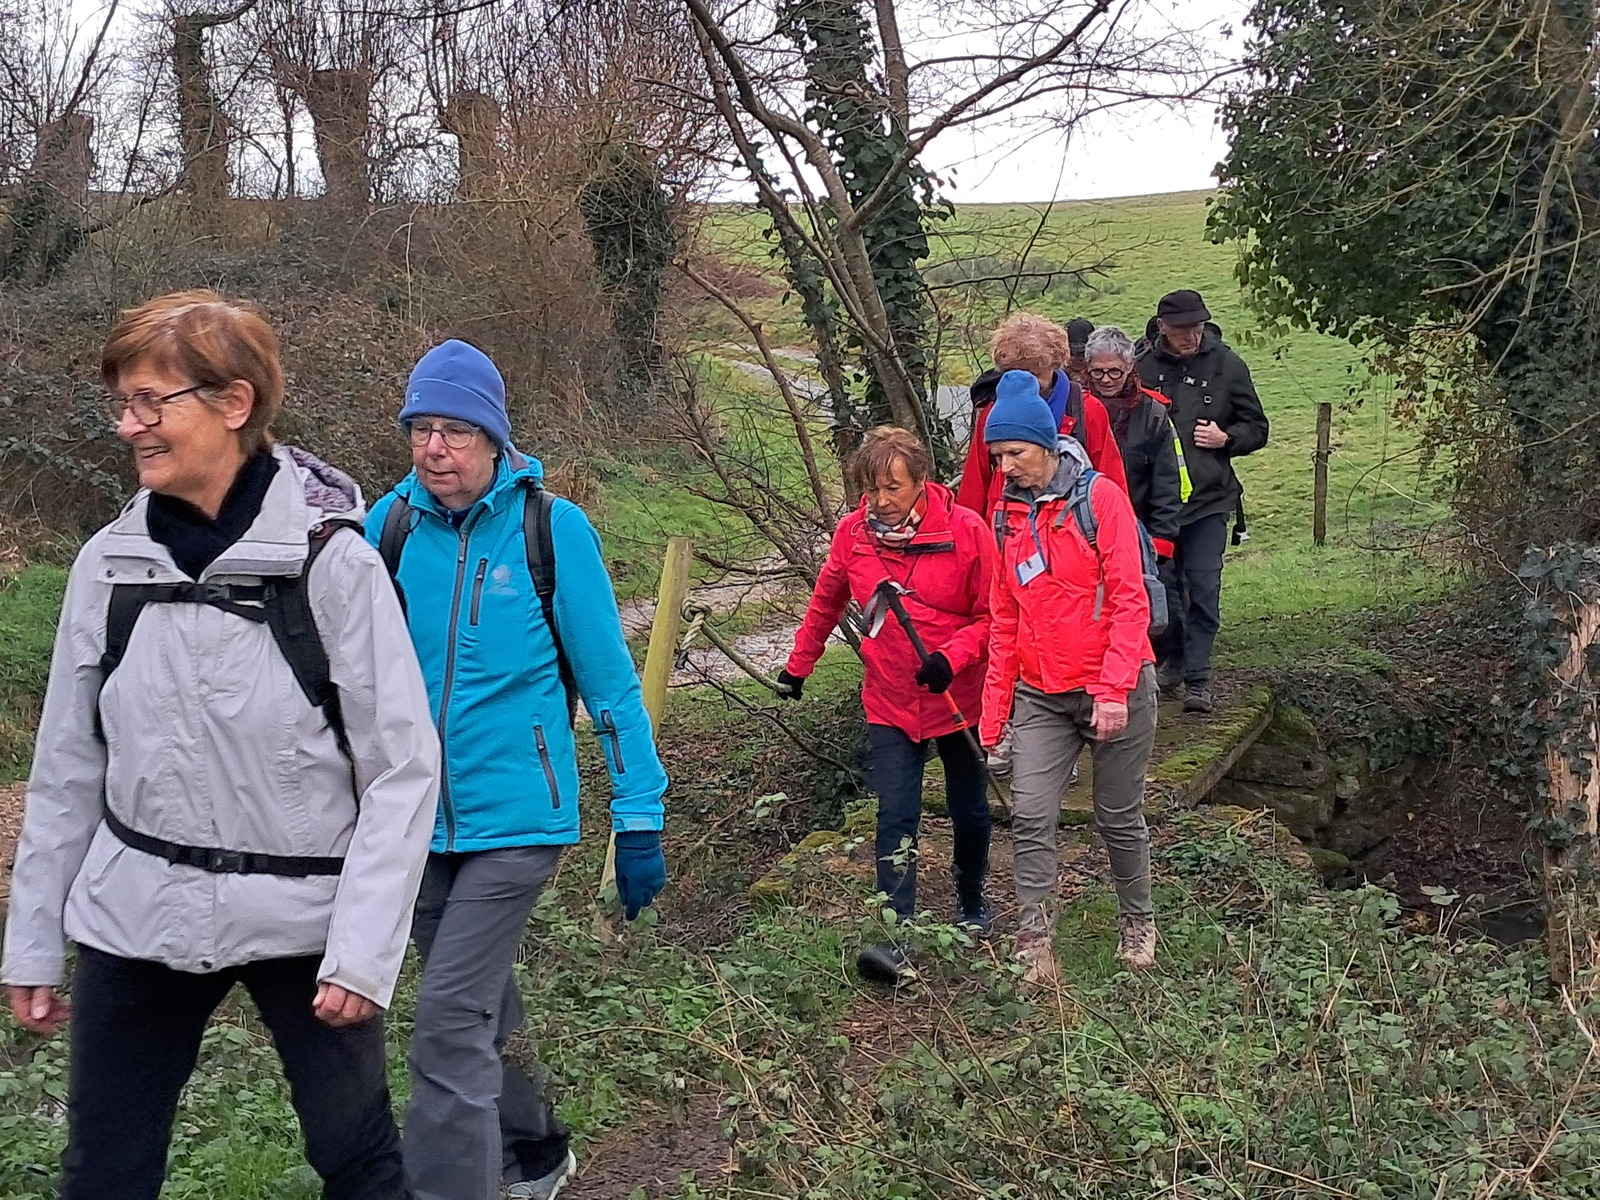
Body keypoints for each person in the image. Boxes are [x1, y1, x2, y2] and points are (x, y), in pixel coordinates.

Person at [1, 290, 442, 1200]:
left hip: (305, 919)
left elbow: (402, 770)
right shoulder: (108, 564)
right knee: (103, 1173)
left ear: (234, 403)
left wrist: (363, 952)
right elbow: (68, 767)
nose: (129, 425)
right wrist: (33, 941)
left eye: (150, 401)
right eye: (123, 402)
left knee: (358, 1161)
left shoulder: (334, 566)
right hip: (136, 911)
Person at [366, 339, 668, 1200]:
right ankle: (535, 1149)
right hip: (415, 820)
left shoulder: (550, 531)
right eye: (420, 429)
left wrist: (637, 814)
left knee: (446, 1021)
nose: (434, 449)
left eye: (455, 431)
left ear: (494, 438)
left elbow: (610, 684)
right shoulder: (386, 528)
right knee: (478, 998)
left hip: (519, 818)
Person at [777, 426, 997, 985]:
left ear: (921, 480)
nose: (880, 501)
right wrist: (798, 666)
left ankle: (972, 898)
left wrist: (952, 656)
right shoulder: (854, 535)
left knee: (969, 809)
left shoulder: (966, 531)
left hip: (957, 697)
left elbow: (993, 617)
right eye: (871, 490)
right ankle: (896, 933)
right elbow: (826, 600)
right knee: (895, 813)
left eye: (892, 488)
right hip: (890, 698)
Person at [979, 371, 1160, 984]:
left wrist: (1112, 691)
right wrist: (993, 717)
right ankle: (1035, 940)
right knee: (1030, 815)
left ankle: (1137, 920)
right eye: (997, 456)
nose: (1005, 467)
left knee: (1116, 816)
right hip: (1041, 692)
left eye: (1014, 453)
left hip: (1115, 684)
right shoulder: (1004, 514)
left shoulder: (1099, 499)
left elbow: (1130, 600)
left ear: (1045, 444)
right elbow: (1004, 616)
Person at [1137, 289, 1269, 714]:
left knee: (1204, 585)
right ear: (1162, 328)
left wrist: (1226, 438)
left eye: (1196, 327)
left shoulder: (1227, 365)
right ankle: (1173, 658)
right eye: (1181, 329)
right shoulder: (1142, 370)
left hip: (1210, 499)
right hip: (1157, 505)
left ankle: (1199, 677)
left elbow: (1258, 427)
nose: (1190, 336)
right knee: (1163, 589)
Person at [957, 311, 1129, 519]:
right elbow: (975, 486)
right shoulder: (991, 414)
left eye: (1036, 373)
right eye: (1018, 373)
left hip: (1070, 527)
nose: (1028, 382)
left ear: (1054, 366)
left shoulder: (1087, 410)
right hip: (1006, 526)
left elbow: (1112, 483)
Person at [1082, 325, 1187, 562]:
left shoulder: (1152, 412)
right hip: (1086, 528)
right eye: (1097, 372)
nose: (1106, 379)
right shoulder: (1075, 408)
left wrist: (1161, 540)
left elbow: (1166, 480)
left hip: (1139, 527)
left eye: (1114, 372)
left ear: (1129, 366)